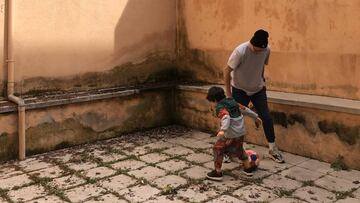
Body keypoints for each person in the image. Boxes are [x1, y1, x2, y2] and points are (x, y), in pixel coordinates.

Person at [224, 29, 285, 163]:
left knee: (267, 117)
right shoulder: (240, 51)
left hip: (258, 90)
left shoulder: (266, 50)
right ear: (251, 43)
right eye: (255, 49)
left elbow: (261, 65)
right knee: (234, 120)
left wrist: (261, 80)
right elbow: (227, 71)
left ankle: (272, 149)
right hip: (239, 90)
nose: (258, 51)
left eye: (260, 50)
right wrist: (229, 94)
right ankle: (230, 150)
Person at [206, 86, 262, 181]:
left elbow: (226, 117)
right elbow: (245, 109)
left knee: (217, 149)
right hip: (240, 132)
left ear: (214, 99)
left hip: (229, 134)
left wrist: (223, 130)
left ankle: (217, 172)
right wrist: (256, 117)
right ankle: (248, 168)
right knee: (239, 150)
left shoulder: (220, 106)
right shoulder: (232, 101)